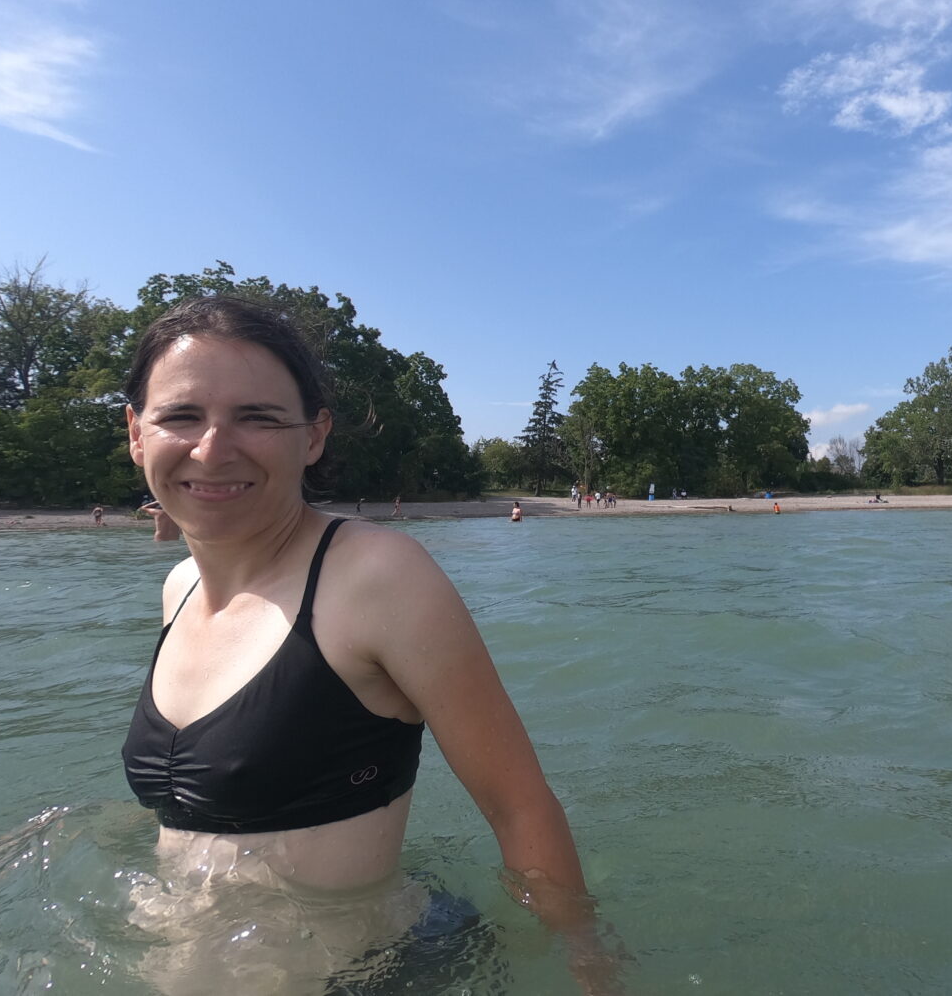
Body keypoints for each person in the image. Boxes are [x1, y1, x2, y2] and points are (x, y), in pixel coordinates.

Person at [118, 296, 616, 993]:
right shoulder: (178, 588)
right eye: (181, 415)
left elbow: (519, 805)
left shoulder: (378, 577)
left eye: (258, 417)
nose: (213, 447)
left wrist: (590, 964)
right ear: (137, 433)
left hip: (363, 976)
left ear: (314, 436)